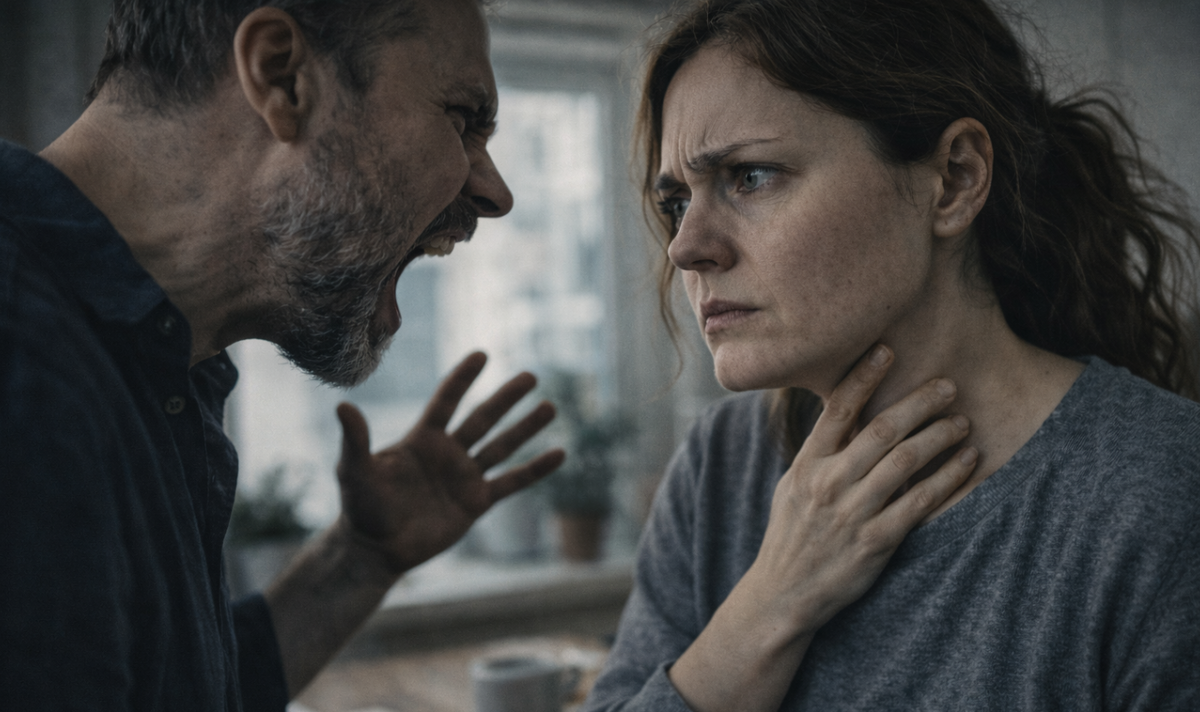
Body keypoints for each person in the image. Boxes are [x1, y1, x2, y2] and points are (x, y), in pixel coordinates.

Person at [584, 0, 1200, 710]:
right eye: (676, 203)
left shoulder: (1162, 497)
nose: (686, 248)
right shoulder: (720, 468)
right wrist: (768, 607)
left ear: (955, 179)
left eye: (749, 176)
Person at [0, 0, 566, 709]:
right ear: (281, 77)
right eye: (462, 119)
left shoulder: (155, 356)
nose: (495, 193)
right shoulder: (21, 359)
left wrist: (360, 560)